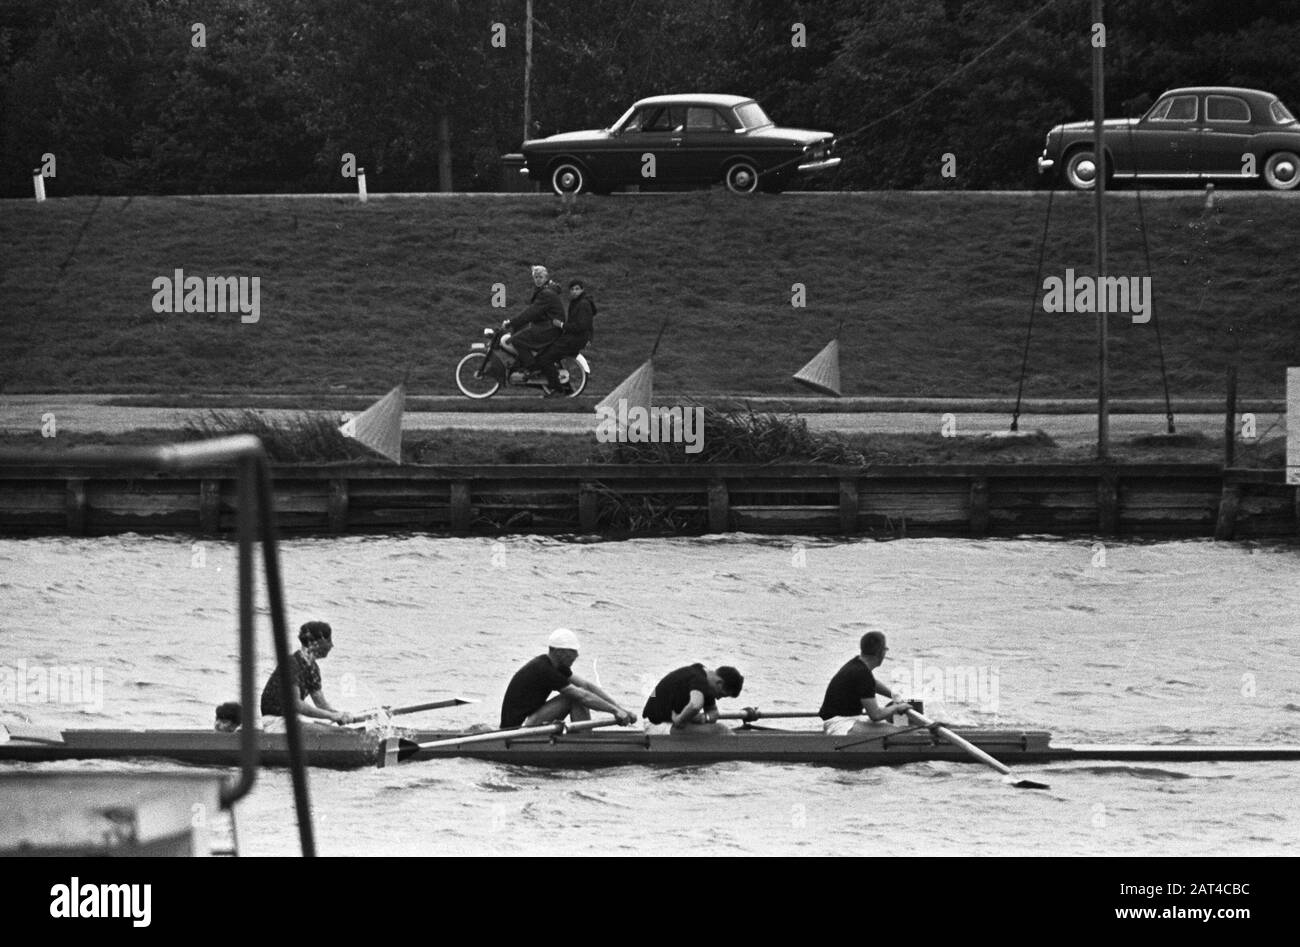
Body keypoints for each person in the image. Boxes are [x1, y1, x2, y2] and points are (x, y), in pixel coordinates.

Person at [500, 628, 638, 728]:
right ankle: (584, 743)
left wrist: (621, 709)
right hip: (519, 729)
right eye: (573, 651)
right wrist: (614, 711)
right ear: (559, 652)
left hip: (532, 720)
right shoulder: (544, 669)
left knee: (581, 690)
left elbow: (587, 686)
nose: (577, 656)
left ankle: (584, 738)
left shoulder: (556, 666)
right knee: (575, 696)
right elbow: (583, 696)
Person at [259, 620, 357, 729]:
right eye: (329, 640)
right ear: (314, 642)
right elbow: (297, 704)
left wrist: (341, 715)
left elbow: (321, 704)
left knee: (341, 732)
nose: (332, 645)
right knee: (335, 734)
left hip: (290, 722)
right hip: (274, 721)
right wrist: (332, 716)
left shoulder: (313, 668)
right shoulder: (291, 663)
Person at [818, 631, 913, 735]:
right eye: (885, 649)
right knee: (902, 732)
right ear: (880, 652)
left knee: (898, 728)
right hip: (840, 724)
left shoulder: (857, 663)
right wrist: (896, 707)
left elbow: (872, 683)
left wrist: (894, 696)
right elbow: (875, 715)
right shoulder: (862, 674)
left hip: (847, 719)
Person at [642, 664, 744, 735]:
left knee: (714, 727)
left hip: (664, 723)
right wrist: (680, 720)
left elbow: (714, 713)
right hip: (657, 725)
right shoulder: (699, 680)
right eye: (721, 695)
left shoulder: (704, 676)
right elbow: (695, 705)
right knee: (720, 730)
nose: (718, 698)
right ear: (719, 683)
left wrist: (703, 718)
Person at [534, 278, 596, 396]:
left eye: (577, 289)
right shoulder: (579, 302)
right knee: (549, 354)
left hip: (573, 340)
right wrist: (589, 338)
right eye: (572, 289)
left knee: (545, 359)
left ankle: (558, 390)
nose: (574, 291)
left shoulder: (582, 304)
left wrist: (561, 325)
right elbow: (589, 324)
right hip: (574, 338)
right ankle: (565, 388)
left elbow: (581, 326)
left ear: (582, 290)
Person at [504, 265, 564, 371]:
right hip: (548, 326)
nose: (538, 280)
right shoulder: (546, 290)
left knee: (517, 340)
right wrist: (516, 323)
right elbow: (534, 312)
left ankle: (532, 367)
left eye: (540, 277)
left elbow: (531, 312)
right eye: (536, 277)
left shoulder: (546, 293)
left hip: (548, 329)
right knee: (520, 332)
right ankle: (521, 363)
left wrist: (511, 322)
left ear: (546, 278)